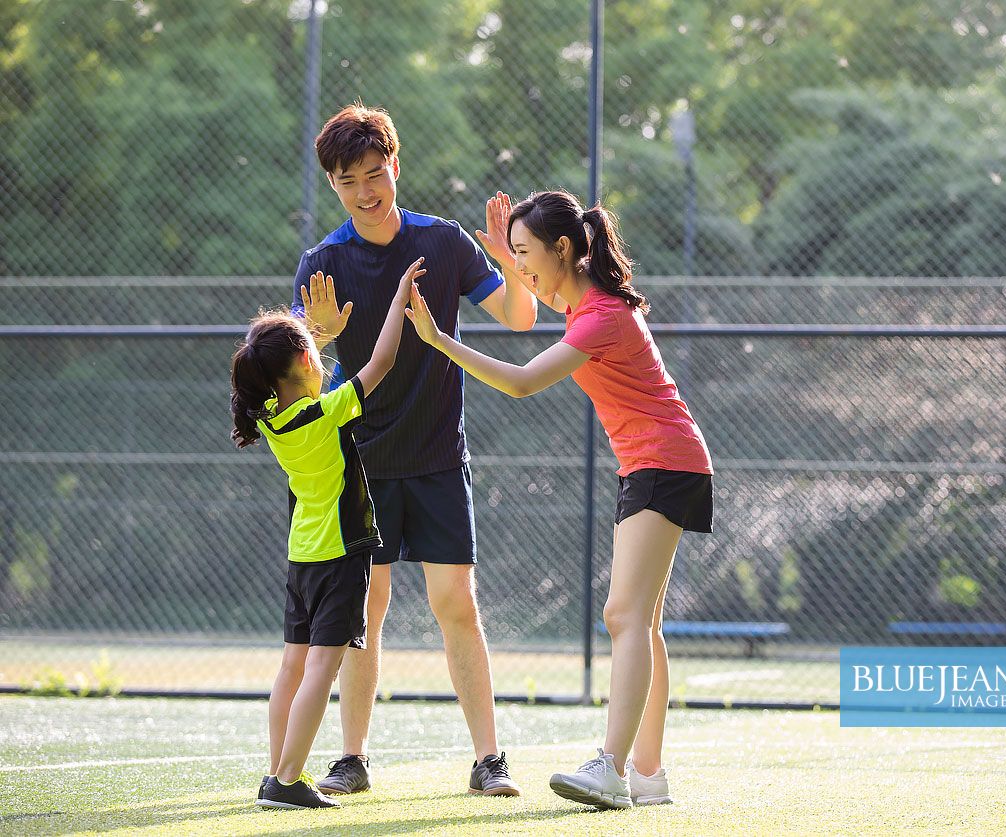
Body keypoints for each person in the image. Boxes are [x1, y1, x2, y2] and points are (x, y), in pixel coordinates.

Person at [406, 189, 714, 810]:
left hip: (665, 462)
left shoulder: (599, 317)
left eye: (526, 254)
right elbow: (539, 297)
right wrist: (506, 253)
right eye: (513, 255)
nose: (518, 268)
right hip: (656, 464)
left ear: (565, 249)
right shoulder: (582, 306)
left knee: (623, 617)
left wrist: (439, 340)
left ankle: (613, 768)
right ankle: (647, 774)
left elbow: (520, 383)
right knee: (641, 625)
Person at [294, 103, 537, 798]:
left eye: (376, 173)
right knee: (362, 608)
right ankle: (352, 758)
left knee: (455, 601)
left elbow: (522, 317)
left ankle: (489, 759)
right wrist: (323, 340)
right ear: (333, 186)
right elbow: (307, 383)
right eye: (349, 181)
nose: (367, 191)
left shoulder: (446, 242)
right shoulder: (322, 265)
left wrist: (506, 260)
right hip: (359, 463)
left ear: (394, 166)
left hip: (436, 456)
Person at [232, 260, 425, 809]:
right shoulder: (326, 414)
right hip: (340, 554)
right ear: (301, 365)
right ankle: (288, 779)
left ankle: (277, 772)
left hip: (303, 557)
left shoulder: (270, 414)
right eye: (315, 355)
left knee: (293, 664)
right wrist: (399, 297)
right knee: (323, 664)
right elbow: (381, 361)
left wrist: (310, 333)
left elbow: (286, 363)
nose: (323, 360)